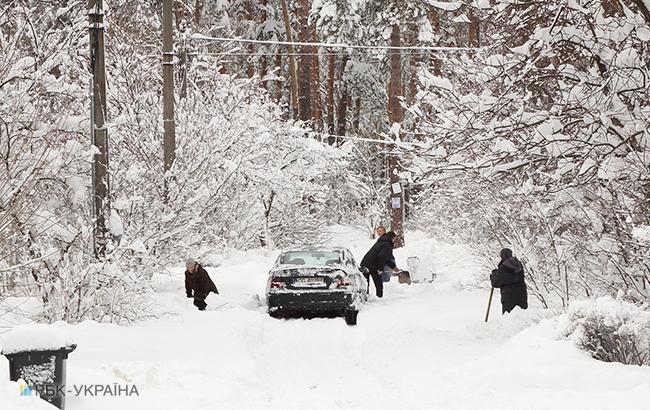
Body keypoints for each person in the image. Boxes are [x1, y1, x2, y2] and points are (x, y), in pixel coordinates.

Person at [361, 231, 399, 298]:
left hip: (365, 263)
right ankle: (379, 298)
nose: (394, 240)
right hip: (373, 265)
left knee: (365, 283)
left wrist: (394, 267)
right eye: (394, 239)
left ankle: (364, 298)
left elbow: (385, 258)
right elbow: (381, 257)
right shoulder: (388, 244)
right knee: (378, 284)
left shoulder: (381, 242)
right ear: (392, 238)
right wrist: (380, 269)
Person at [490, 248, 528, 314]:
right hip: (522, 296)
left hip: (509, 299)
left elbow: (495, 283)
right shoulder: (519, 265)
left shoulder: (504, 268)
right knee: (523, 319)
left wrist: (493, 274)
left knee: (510, 320)